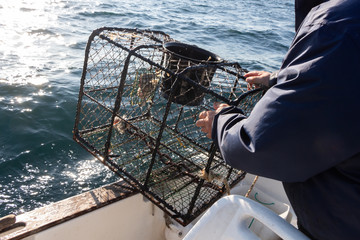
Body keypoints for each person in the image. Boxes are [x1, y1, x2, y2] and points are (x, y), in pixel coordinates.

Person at [196, 0, 360, 239]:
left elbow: (256, 146)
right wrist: (280, 78)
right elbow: (341, 81)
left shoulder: (337, 25)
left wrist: (221, 121)